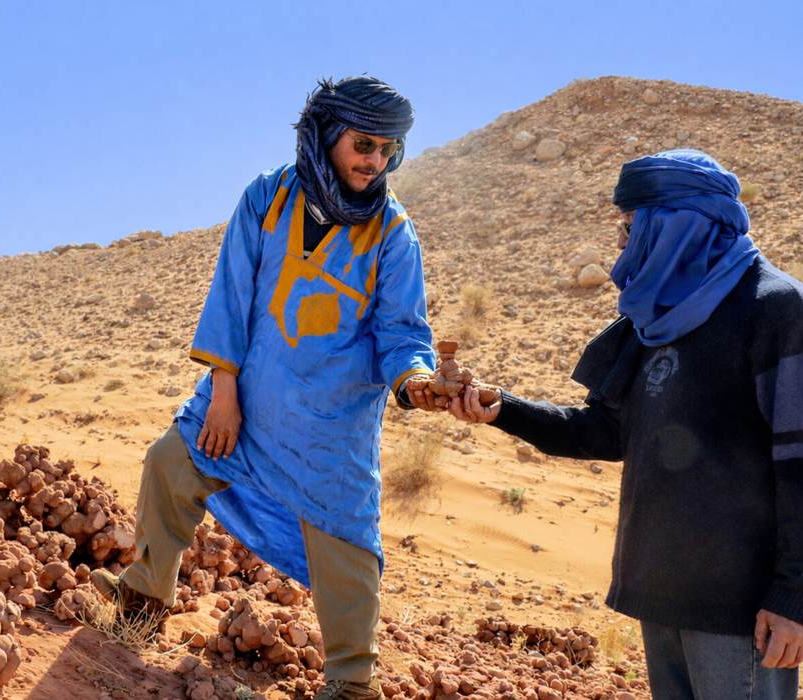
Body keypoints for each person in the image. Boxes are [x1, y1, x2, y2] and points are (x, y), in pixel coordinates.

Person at [92, 76, 436, 700]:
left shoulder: (391, 231)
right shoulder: (267, 198)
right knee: (171, 463)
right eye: (363, 144)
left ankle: (351, 682)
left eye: (388, 149)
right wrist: (224, 393)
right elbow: (231, 297)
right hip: (244, 402)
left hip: (330, 426)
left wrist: (417, 379)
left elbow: (402, 331)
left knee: (348, 549)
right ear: (328, 135)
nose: (375, 162)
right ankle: (142, 601)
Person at [440, 149, 803, 699]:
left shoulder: (775, 308)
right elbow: (602, 432)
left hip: (743, 612)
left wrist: (793, 598)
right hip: (660, 591)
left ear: (677, 227)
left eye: (632, 227)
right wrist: (501, 406)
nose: (620, 246)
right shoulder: (656, 318)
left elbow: (800, 464)